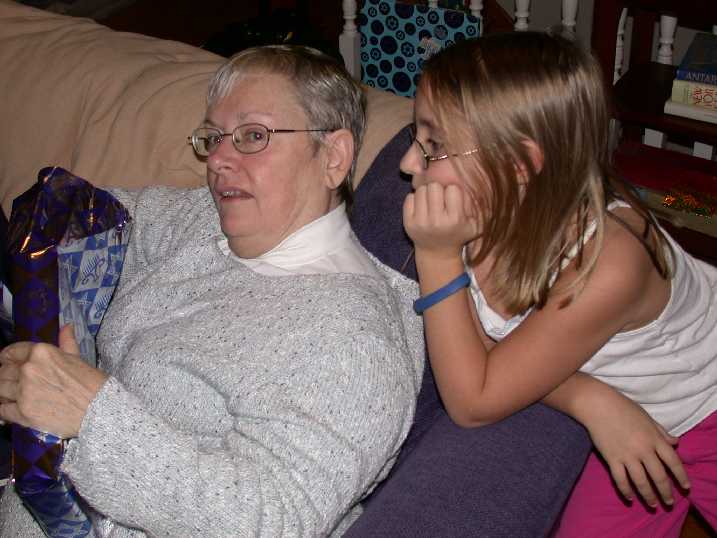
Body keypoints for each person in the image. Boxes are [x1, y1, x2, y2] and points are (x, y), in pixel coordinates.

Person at [0, 45, 424, 537]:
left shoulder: (354, 342)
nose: (219, 159)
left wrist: (89, 416)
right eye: (213, 137)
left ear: (333, 157)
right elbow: (101, 222)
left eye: (253, 136)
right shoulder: (212, 223)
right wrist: (40, 236)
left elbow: (271, 521)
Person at [400, 32, 717, 537]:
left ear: (518, 165)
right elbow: (484, 352)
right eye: (415, 137)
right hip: (640, 418)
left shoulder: (609, 264)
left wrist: (435, 258)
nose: (407, 164)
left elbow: (472, 401)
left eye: (433, 145)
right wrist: (587, 398)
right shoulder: (478, 207)